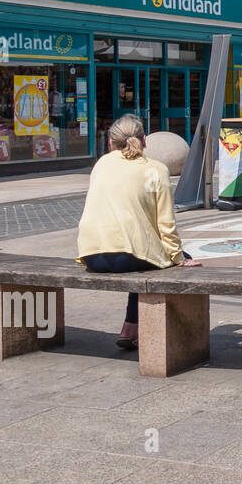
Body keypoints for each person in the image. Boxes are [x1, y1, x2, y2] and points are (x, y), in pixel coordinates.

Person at [77, 115, 202, 350]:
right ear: (145, 140)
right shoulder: (156, 169)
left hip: (91, 254)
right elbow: (166, 223)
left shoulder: (101, 164)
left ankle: (129, 328)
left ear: (111, 142)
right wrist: (179, 258)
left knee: (140, 254)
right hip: (127, 255)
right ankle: (164, 333)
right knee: (155, 257)